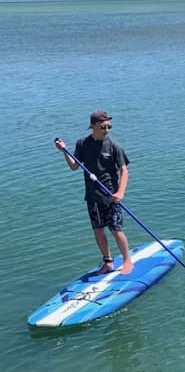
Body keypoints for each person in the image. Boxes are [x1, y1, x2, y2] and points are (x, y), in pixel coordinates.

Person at [54, 110, 133, 275]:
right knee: (98, 229)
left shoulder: (114, 146)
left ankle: (127, 261)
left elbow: (124, 171)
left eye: (109, 126)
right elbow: (74, 166)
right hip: (92, 195)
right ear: (93, 126)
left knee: (116, 229)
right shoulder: (82, 144)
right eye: (103, 126)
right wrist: (64, 151)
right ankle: (108, 262)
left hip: (111, 196)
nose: (107, 130)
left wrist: (120, 193)